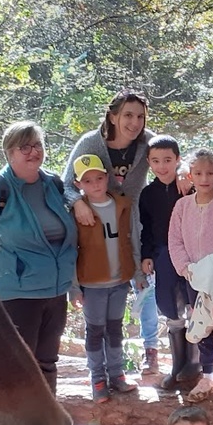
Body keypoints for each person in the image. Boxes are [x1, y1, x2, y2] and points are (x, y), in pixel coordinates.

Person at [0, 121, 77, 392]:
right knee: (17, 364)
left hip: (55, 292)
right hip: (16, 293)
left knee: (47, 362)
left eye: (37, 145)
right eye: (24, 147)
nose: (33, 152)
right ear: (10, 153)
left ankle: (49, 423)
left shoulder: (52, 184)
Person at [63, 89, 158, 374]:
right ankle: (101, 371)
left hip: (133, 222)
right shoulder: (91, 143)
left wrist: (180, 173)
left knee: (145, 286)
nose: (134, 122)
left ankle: (151, 350)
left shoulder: (147, 141)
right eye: (128, 115)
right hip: (96, 228)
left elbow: (170, 154)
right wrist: (78, 202)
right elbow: (67, 183)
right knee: (105, 301)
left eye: (140, 116)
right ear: (113, 115)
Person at [168, 149, 213, 404]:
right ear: (190, 176)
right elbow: (175, 241)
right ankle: (208, 373)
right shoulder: (181, 207)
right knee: (202, 326)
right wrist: (187, 268)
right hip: (193, 280)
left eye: (209, 173)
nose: (204, 178)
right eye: (198, 173)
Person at [71, 154, 139, 403]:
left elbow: (131, 239)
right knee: (95, 331)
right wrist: (74, 287)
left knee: (115, 329)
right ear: (78, 184)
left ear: (107, 178)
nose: (95, 185)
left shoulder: (121, 204)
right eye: (87, 181)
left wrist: (137, 273)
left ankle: (116, 374)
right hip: (92, 283)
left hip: (119, 281)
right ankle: (97, 378)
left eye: (99, 178)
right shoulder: (77, 211)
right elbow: (70, 250)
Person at [140, 135, 197, 391]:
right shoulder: (148, 194)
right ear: (149, 163)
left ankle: (195, 365)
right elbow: (147, 229)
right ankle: (177, 366)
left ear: (178, 159)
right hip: (164, 254)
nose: (162, 166)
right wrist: (147, 254)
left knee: (194, 304)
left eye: (167, 160)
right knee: (170, 305)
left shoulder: (189, 186)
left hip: (191, 253)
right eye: (155, 161)